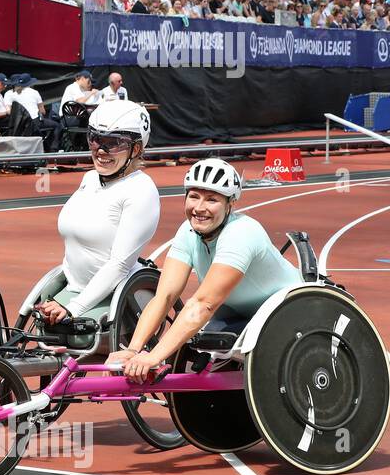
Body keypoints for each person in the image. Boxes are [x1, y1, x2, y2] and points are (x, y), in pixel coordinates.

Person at [107, 158, 302, 380]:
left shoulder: (242, 233)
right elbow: (165, 296)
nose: (199, 208)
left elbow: (204, 304)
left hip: (289, 313)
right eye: (194, 197)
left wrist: (153, 357)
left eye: (212, 200)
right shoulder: (187, 232)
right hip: (238, 315)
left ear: (230, 204)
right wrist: (133, 350)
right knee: (198, 341)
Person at [32, 103, 160, 345]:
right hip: (74, 289)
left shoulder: (141, 190)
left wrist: (73, 308)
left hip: (118, 298)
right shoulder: (90, 179)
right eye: (95, 139)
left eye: (113, 143)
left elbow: (120, 264)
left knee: (67, 337)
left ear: (137, 148)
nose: (101, 150)